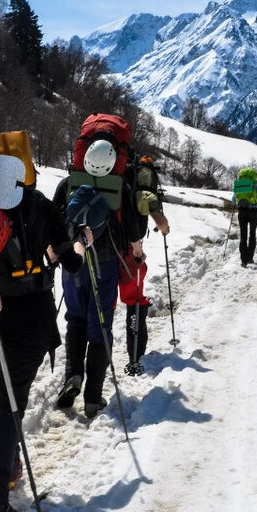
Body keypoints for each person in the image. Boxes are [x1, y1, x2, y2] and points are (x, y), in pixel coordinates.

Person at [0, 137, 87, 512]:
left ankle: (8, 472)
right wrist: (80, 243)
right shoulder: (38, 206)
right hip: (32, 317)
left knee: (5, 391)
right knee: (8, 404)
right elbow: (73, 264)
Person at [53, 136, 146, 417]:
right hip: (104, 262)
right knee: (101, 323)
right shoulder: (120, 187)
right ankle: (93, 396)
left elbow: (54, 220)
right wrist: (138, 252)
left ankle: (73, 376)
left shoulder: (68, 183)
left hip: (73, 263)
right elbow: (134, 231)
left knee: (75, 319)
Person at [120, 154, 170, 375]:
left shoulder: (120, 179)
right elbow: (157, 217)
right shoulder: (142, 187)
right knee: (134, 299)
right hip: (130, 249)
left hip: (104, 243)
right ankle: (135, 357)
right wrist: (165, 228)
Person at [231, 166, 257, 266]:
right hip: (253, 211)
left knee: (243, 236)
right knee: (252, 234)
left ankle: (243, 260)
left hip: (241, 211)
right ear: (254, 175)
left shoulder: (239, 184)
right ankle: (250, 258)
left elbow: (233, 200)